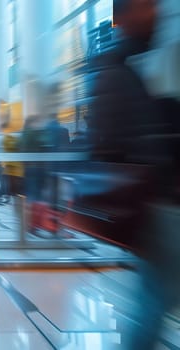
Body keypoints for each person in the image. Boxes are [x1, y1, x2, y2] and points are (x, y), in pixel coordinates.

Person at [86, 1, 178, 348]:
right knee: (155, 298)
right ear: (122, 18)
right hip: (153, 201)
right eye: (146, 6)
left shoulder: (127, 66)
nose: (157, 13)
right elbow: (107, 143)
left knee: (153, 297)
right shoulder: (117, 71)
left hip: (154, 200)